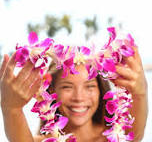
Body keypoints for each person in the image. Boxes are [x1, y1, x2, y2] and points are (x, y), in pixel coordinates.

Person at [0, 46, 148, 142]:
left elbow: (135, 135)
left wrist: (140, 93)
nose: (79, 97)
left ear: (100, 90)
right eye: (67, 87)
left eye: (89, 86)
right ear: (51, 91)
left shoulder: (117, 137)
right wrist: (11, 108)